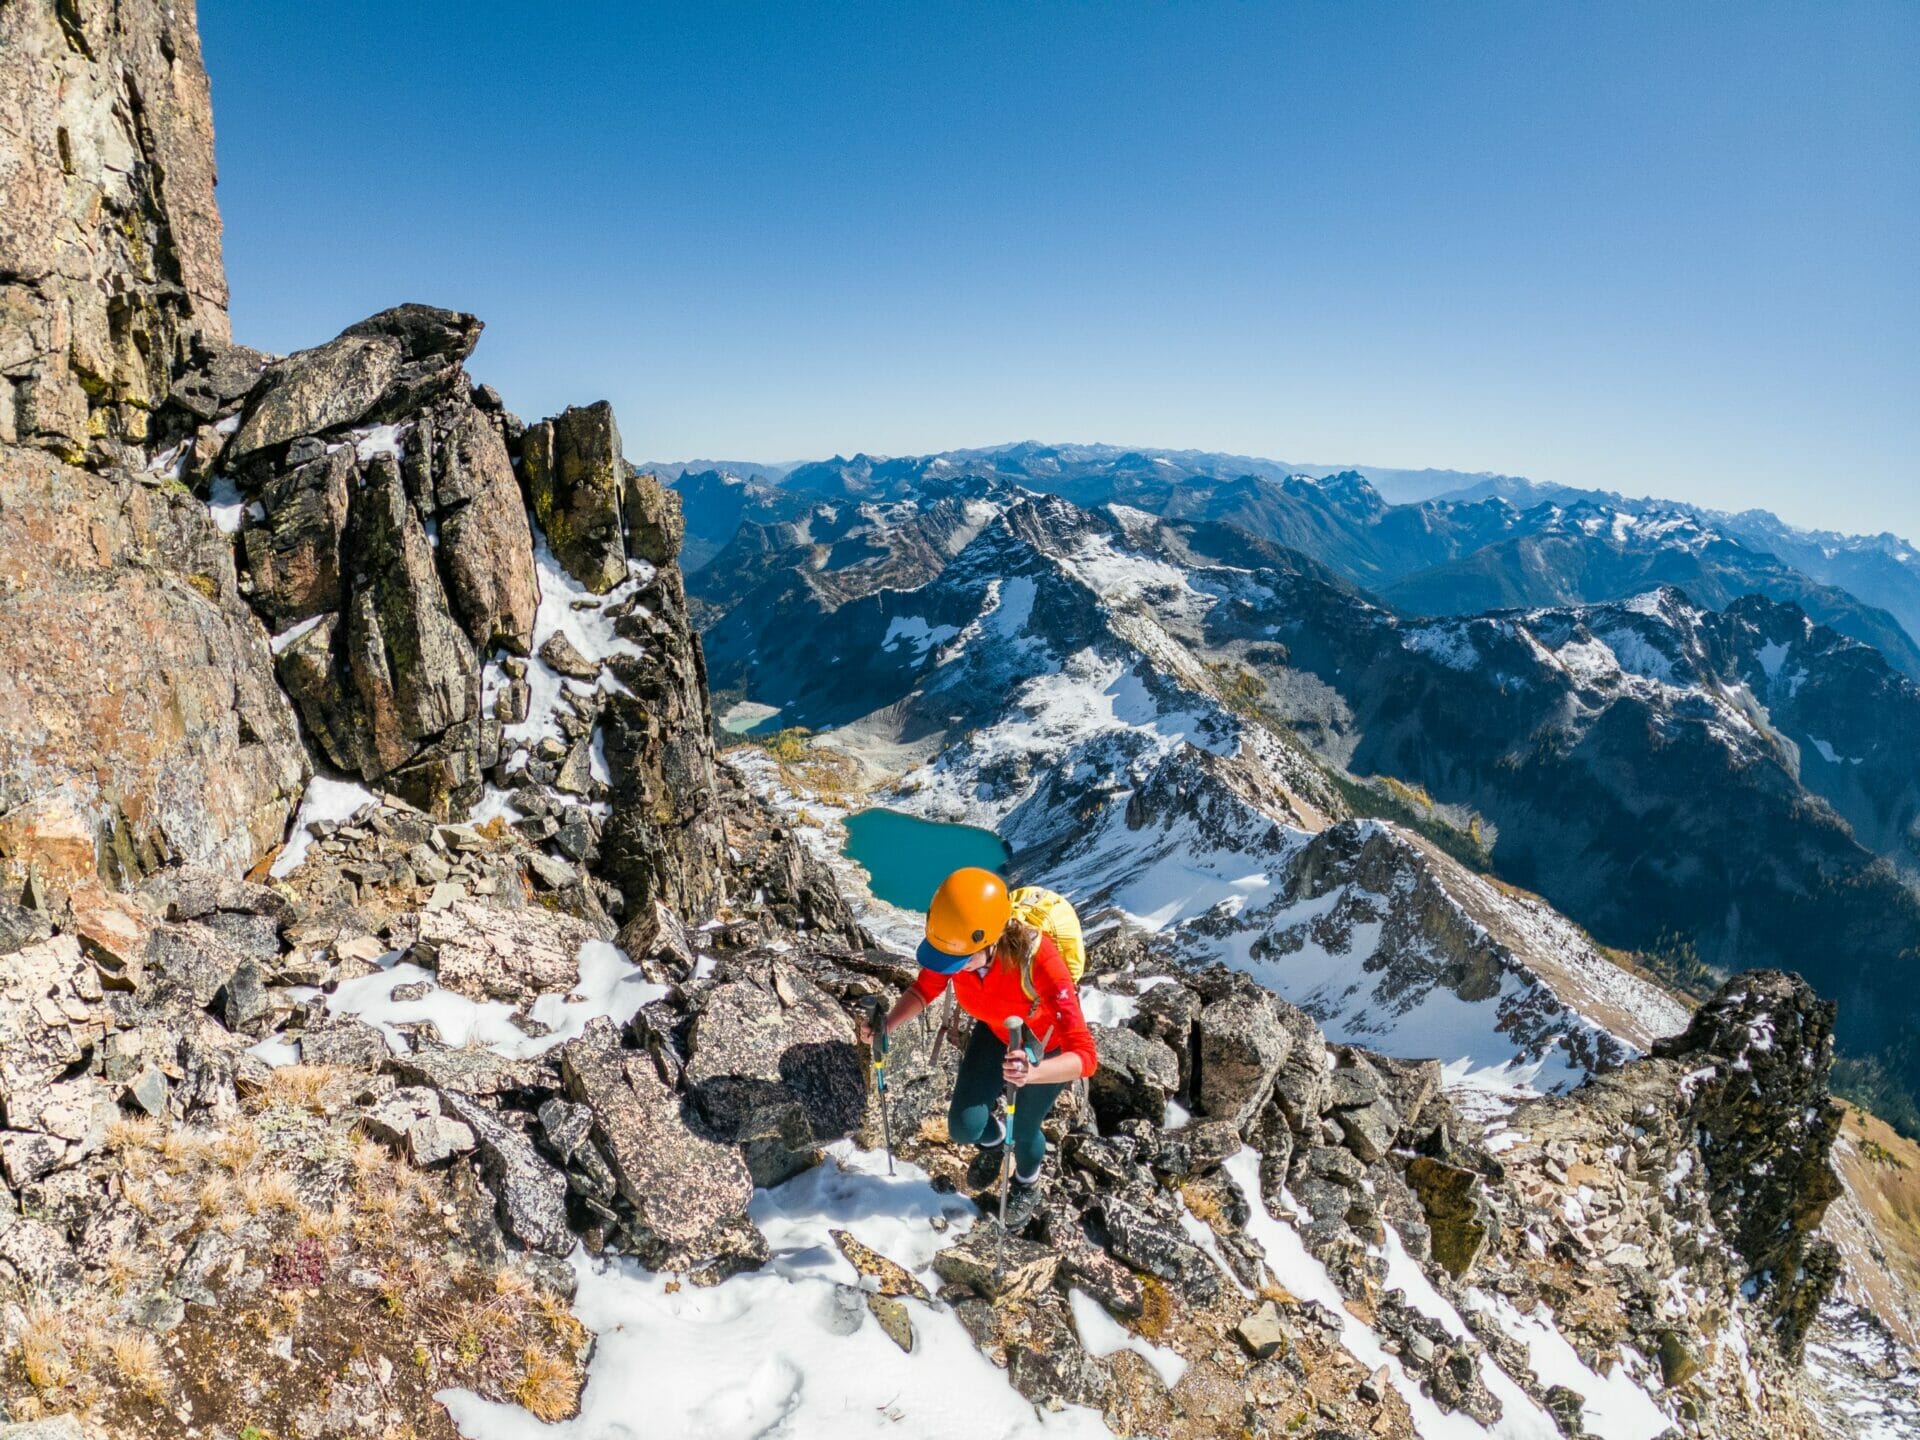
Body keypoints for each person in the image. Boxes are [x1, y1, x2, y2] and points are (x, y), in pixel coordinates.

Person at [860, 866, 1097, 1228]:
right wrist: (886, 1026)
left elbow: (1084, 1056)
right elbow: (925, 988)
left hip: (1045, 1048)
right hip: (995, 1029)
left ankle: (1025, 1183)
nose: (954, 970)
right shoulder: (955, 945)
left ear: (991, 941)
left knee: (1027, 1130)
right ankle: (993, 1142)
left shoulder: (1042, 961)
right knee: (963, 1128)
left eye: (961, 962)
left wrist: (1034, 1072)